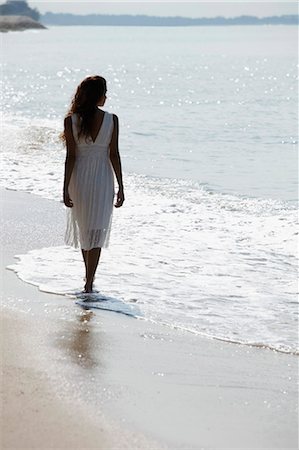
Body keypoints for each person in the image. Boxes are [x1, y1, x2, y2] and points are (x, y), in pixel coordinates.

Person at [62, 75, 124, 293]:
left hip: (78, 179)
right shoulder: (112, 120)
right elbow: (114, 155)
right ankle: (89, 281)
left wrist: (65, 187)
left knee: (84, 229)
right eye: (104, 92)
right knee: (96, 229)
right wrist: (121, 187)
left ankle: (87, 279)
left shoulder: (71, 120)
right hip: (102, 179)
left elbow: (71, 157)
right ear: (98, 96)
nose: (106, 96)